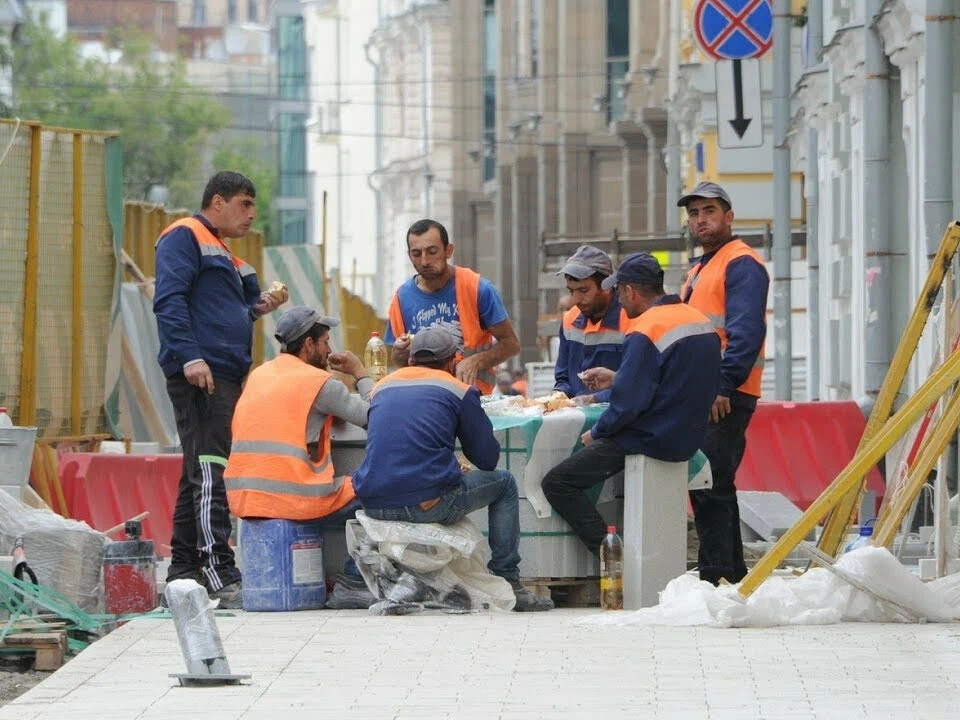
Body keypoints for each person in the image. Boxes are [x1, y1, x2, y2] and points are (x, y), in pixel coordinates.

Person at [153, 171, 287, 607]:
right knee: (212, 470)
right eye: (245, 204)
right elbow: (169, 301)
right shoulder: (184, 236)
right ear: (217, 201)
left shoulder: (224, 252)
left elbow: (225, 312)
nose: (252, 214)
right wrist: (190, 357)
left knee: (198, 472)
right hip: (202, 374)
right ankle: (218, 571)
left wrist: (258, 307)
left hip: (220, 373)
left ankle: (184, 570)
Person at [353, 326, 554, 612]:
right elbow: (487, 460)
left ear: (410, 361)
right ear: (454, 361)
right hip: (425, 504)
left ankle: (372, 583)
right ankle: (510, 582)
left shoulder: (382, 386)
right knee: (505, 484)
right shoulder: (458, 390)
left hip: (371, 504)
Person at [541, 253, 721, 554]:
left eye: (620, 293)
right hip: (688, 435)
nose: (620, 302)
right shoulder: (697, 320)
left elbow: (628, 404)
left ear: (630, 291)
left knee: (557, 483)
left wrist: (597, 432)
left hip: (648, 437)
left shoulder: (646, 328)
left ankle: (613, 558)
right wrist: (618, 377)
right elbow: (670, 379)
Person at [679, 181, 770, 585]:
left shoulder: (740, 263)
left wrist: (723, 385)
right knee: (715, 483)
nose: (701, 220)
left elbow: (745, 333)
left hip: (724, 393)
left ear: (729, 217)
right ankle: (730, 574)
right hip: (705, 391)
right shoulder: (702, 268)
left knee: (709, 481)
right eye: (695, 214)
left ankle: (715, 575)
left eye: (709, 212)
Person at [224, 307, 372, 524]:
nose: (329, 350)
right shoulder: (319, 382)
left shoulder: (258, 375)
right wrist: (359, 371)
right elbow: (374, 416)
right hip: (292, 500)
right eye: (325, 342)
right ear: (309, 344)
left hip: (245, 500)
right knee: (376, 492)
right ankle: (355, 560)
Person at [386, 219, 520, 394]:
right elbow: (399, 360)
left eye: (432, 251)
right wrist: (398, 353)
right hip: (424, 398)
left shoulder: (477, 288)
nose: (425, 261)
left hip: (471, 396)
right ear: (409, 255)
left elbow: (511, 344)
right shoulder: (401, 298)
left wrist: (474, 362)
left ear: (448, 251)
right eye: (416, 254)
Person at [553, 245, 629, 405]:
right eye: (571, 291)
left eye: (583, 290)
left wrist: (594, 399)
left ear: (607, 287)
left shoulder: (630, 319)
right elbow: (563, 378)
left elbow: (637, 383)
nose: (576, 300)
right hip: (576, 419)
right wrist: (557, 396)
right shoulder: (570, 321)